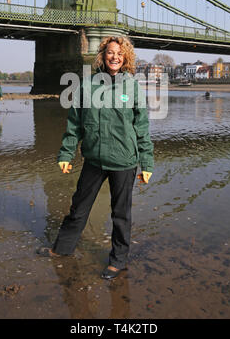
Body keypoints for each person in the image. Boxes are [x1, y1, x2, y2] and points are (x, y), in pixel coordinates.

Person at [37, 36, 154, 280]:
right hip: (94, 160)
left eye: (120, 54)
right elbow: (75, 123)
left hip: (124, 161)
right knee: (78, 209)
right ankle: (62, 249)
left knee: (120, 215)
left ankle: (118, 261)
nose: (115, 57)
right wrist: (66, 152)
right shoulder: (87, 85)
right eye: (111, 52)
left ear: (126, 58)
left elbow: (142, 127)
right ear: (103, 55)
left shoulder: (132, 87)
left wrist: (147, 162)